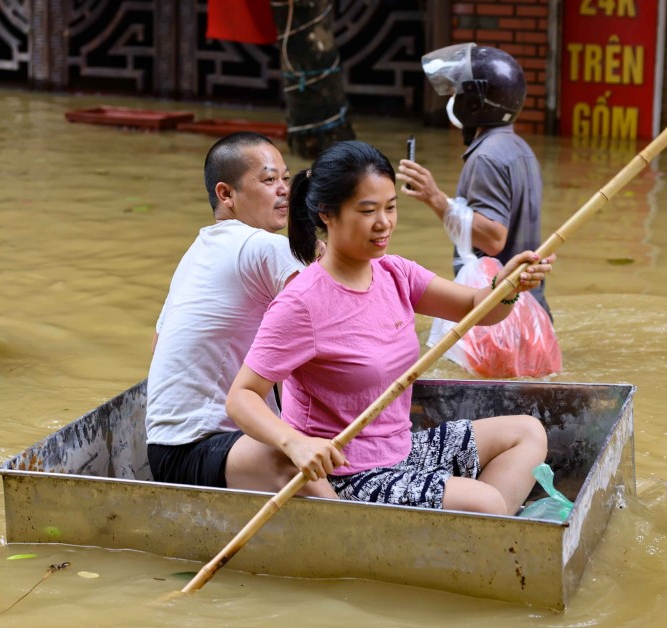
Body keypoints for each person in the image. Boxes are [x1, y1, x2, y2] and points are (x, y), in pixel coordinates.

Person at [226, 141, 554, 515]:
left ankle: (481, 529)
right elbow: (242, 397)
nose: (384, 223)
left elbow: (477, 309)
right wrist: (294, 444)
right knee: (486, 502)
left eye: (390, 207)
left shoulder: (395, 272)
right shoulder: (301, 302)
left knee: (528, 432)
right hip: (348, 473)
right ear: (327, 214)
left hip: (403, 449)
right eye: (368, 211)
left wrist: (507, 287)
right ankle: (484, 521)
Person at [146, 131, 336, 498]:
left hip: (164, 450)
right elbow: (331, 328)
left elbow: (158, 345)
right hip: (199, 446)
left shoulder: (196, 251)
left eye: (285, 178)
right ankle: (357, 536)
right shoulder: (265, 246)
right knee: (294, 463)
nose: (283, 190)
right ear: (226, 194)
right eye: (268, 180)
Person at [396, 43, 551, 319]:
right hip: (530, 312)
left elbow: (493, 239)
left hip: (500, 317)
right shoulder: (521, 149)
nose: (453, 98)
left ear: (476, 100)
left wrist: (435, 198)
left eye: (458, 91)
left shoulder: (486, 157)